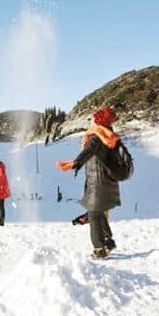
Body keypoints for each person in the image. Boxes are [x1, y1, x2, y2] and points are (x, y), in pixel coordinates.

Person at [56, 106, 121, 259]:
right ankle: (108, 241)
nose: (91, 120)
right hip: (107, 181)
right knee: (98, 212)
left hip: (98, 182)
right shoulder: (108, 135)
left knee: (93, 214)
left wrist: (75, 163)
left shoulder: (96, 136)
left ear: (99, 120)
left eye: (94, 118)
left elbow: (89, 150)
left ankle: (99, 249)